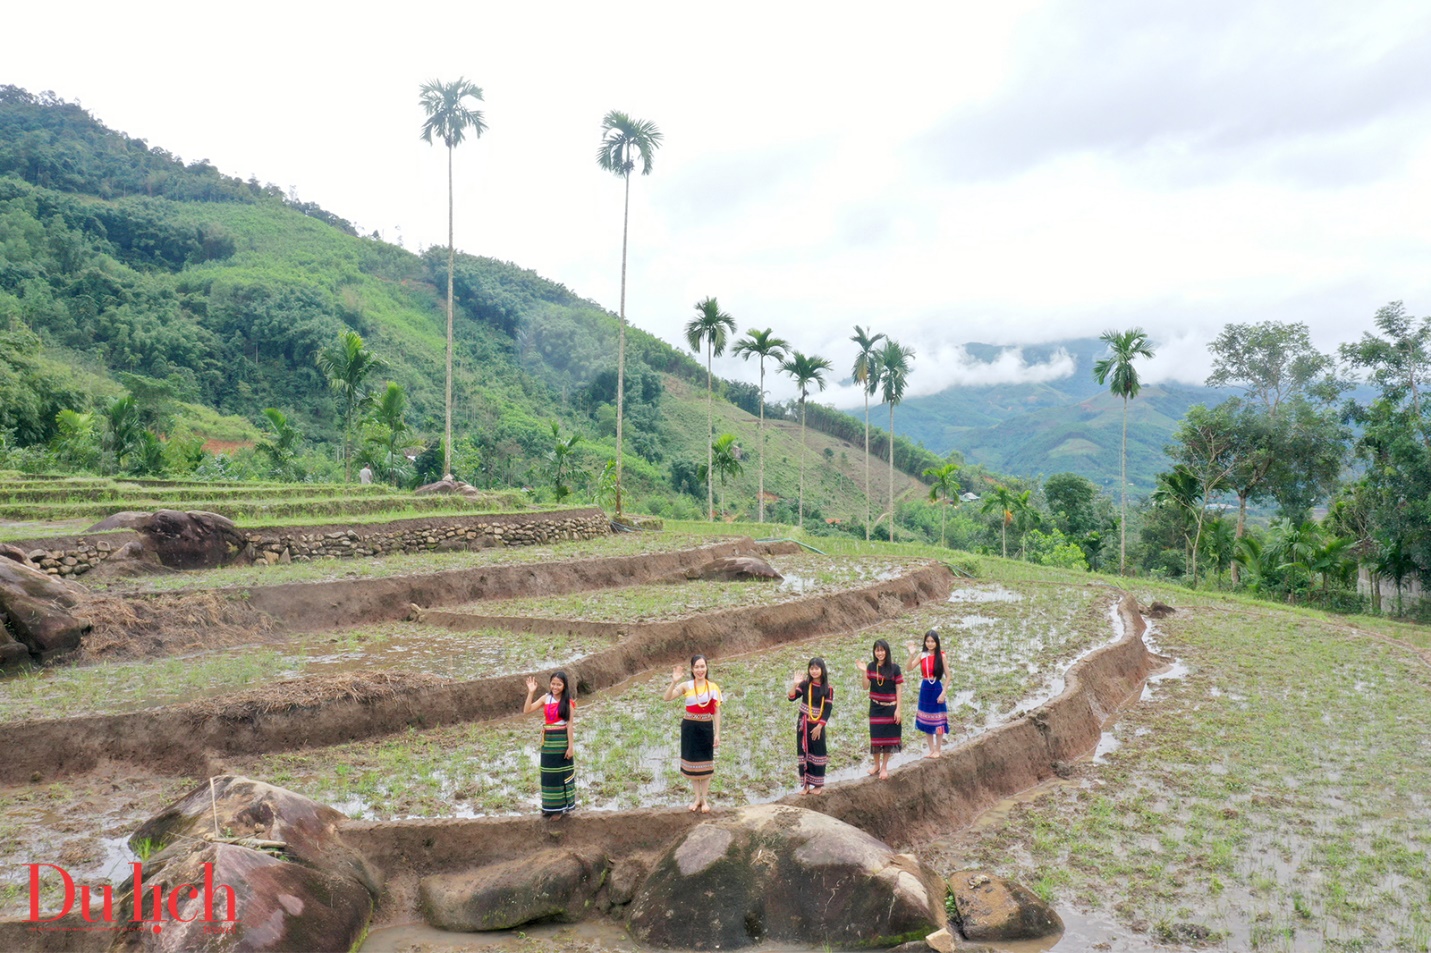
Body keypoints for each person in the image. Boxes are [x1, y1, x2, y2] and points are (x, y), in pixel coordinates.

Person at [664, 654, 723, 813]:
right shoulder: (686, 686)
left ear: (707, 668)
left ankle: (705, 799)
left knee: (706, 765)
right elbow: (667, 697)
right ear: (692, 669)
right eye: (696, 667)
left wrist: (717, 733)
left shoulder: (713, 687)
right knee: (693, 766)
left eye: (702, 666)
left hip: (706, 728)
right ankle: (697, 799)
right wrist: (674, 681)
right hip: (689, 728)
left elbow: (716, 712)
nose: (700, 670)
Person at [523, 671, 576, 816]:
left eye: (559, 684)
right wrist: (531, 692)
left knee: (560, 775)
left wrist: (570, 747)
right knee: (548, 775)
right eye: (553, 684)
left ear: (564, 686)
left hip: (561, 741)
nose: (555, 687)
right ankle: (549, 807)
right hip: (548, 743)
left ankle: (559, 810)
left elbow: (570, 725)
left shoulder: (568, 702)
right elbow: (527, 710)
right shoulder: (546, 698)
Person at [856, 639, 903, 779]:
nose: (880, 653)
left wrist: (898, 709)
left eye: (882, 650)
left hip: (890, 708)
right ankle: (876, 765)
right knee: (876, 738)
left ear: (887, 651)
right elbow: (865, 686)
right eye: (877, 650)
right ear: (874, 652)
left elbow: (899, 689)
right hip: (875, 707)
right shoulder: (871, 667)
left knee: (888, 739)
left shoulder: (895, 668)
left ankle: (884, 767)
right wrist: (864, 672)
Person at [788, 657, 833, 795]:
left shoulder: (828, 688)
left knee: (818, 752)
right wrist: (795, 684)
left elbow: (827, 709)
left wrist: (820, 726)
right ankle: (806, 785)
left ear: (822, 670)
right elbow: (791, 698)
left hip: (817, 725)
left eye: (817, 668)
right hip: (803, 724)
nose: (814, 671)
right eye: (812, 668)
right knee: (803, 751)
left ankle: (818, 785)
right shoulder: (805, 684)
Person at [907, 629, 949, 758]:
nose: (930, 644)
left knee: (939, 719)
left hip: (936, 688)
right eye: (928, 641)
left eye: (932, 641)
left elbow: (948, 676)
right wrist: (911, 655)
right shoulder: (922, 655)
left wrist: (943, 693)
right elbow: (909, 668)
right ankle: (931, 750)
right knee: (927, 720)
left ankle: (938, 750)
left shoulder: (941, 656)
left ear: (936, 642)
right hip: (925, 688)